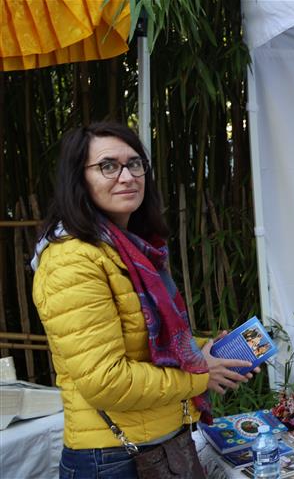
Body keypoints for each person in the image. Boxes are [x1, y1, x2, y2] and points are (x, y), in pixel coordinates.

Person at [31, 122, 257, 478]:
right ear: (79, 179)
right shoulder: (72, 260)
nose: (127, 177)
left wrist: (206, 350)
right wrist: (201, 375)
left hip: (162, 446)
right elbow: (106, 380)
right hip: (113, 460)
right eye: (108, 166)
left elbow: (148, 343)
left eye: (134, 164)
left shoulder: (131, 248)